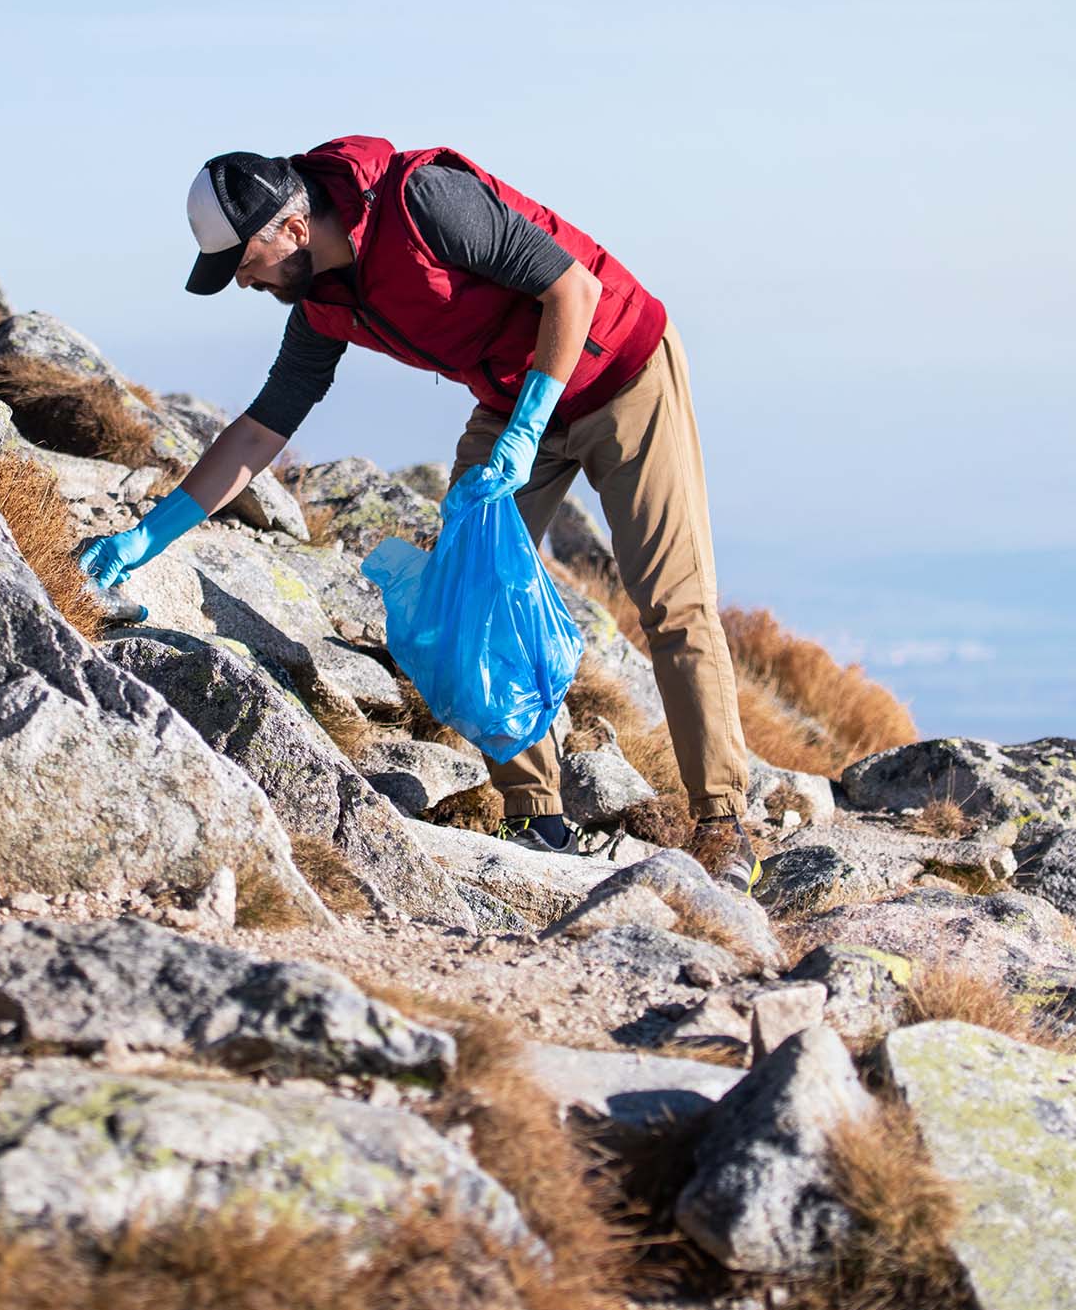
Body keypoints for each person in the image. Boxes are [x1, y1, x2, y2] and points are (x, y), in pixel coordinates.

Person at [77, 137, 760, 877]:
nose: (245, 284)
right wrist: (148, 535)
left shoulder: (422, 202)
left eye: (246, 264)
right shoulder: (320, 306)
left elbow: (573, 291)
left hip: (622, 372)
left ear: (295, 230)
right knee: (468, 605)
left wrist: (529, 428)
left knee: (672, 603)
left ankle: (723, 826)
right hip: (513, 399)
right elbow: (262, 426)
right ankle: (538, 817)